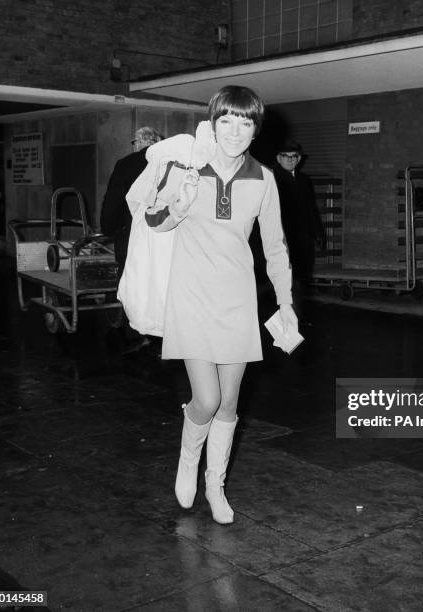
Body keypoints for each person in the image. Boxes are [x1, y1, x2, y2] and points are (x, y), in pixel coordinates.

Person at [145, 86, 296, 524]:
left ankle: (216, 485)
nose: (234, 130)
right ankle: (188, 461)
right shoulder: (188, 168)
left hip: (237, 299)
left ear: (255, 130)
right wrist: (180, 204)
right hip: (190, 295)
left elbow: (276, 247)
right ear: (213, 125)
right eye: (225, 121)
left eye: (244, 122)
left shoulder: (264, 179)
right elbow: (153, 220)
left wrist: (285, 304)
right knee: (207, 399)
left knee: (229, 404)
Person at [100, 126, 162, 351]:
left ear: (137, 143)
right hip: (163, 236)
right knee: (159, 283)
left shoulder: (126, 164)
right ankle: (161, 334)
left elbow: (114, 202)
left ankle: (135, 334)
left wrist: (109, 229)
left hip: (132, 237)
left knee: (132, 284)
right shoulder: (169, 163)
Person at [273, 140, 325, 320]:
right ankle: (286, 322)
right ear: (278, 158)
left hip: (302, 240)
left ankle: (294, 322)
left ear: (299, 159)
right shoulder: (272, 179)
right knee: (284, 282)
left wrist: (318, 232)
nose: (290, 160)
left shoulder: (304, 180)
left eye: (294, 157)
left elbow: (311, 208)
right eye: (285, 156)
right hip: (281, 239)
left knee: (297, 281)